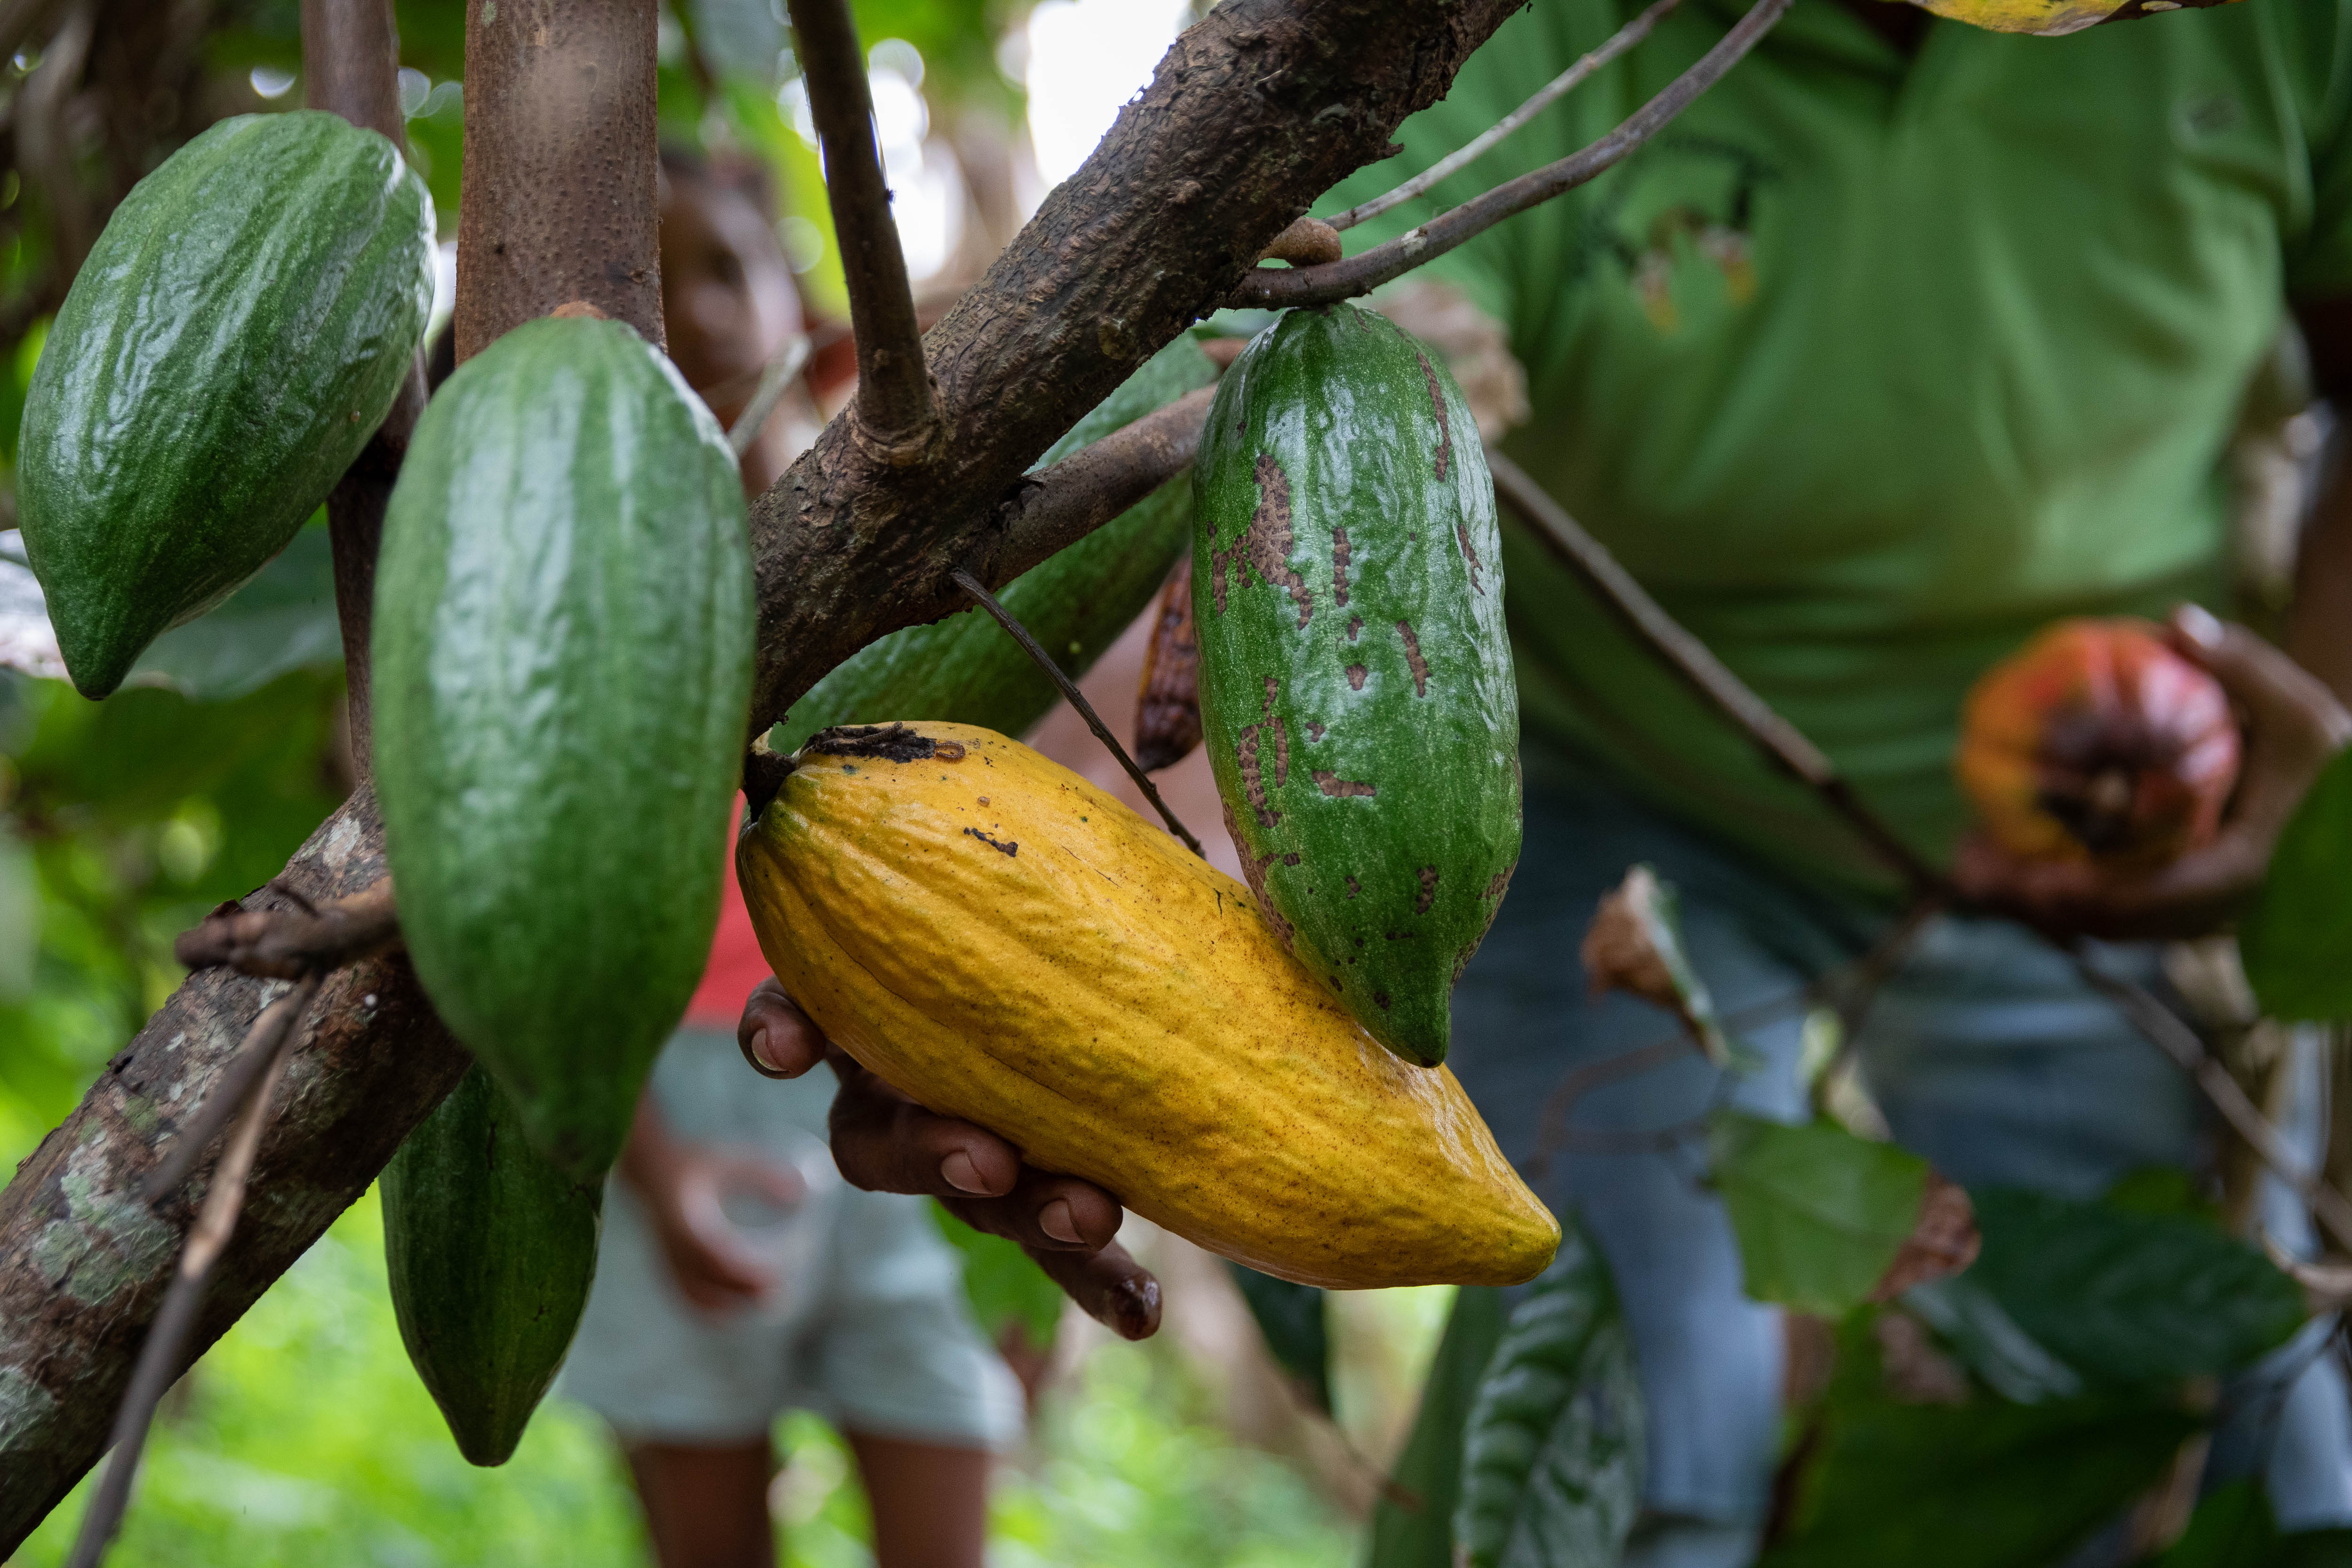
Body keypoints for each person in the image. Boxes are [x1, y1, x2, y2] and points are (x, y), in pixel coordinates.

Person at [739, 1, 2352, 1563]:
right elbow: (1266, 420)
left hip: (2117, 849)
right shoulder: (1481, 22)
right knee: (1659, 1411)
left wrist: (2320, 786)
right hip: (1592, 800)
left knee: (2174, 1419)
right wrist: (1013, 912)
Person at [553, 149, 1021, 1568]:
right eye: (639, 289)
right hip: (669, 1092)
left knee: (944, 1450)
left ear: (800, 301)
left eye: (720, 269)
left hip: (894, 1065)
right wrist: (642, 1162)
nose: (689, 322)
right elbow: (545, 926)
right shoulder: (581, 588)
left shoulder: (910, 559)